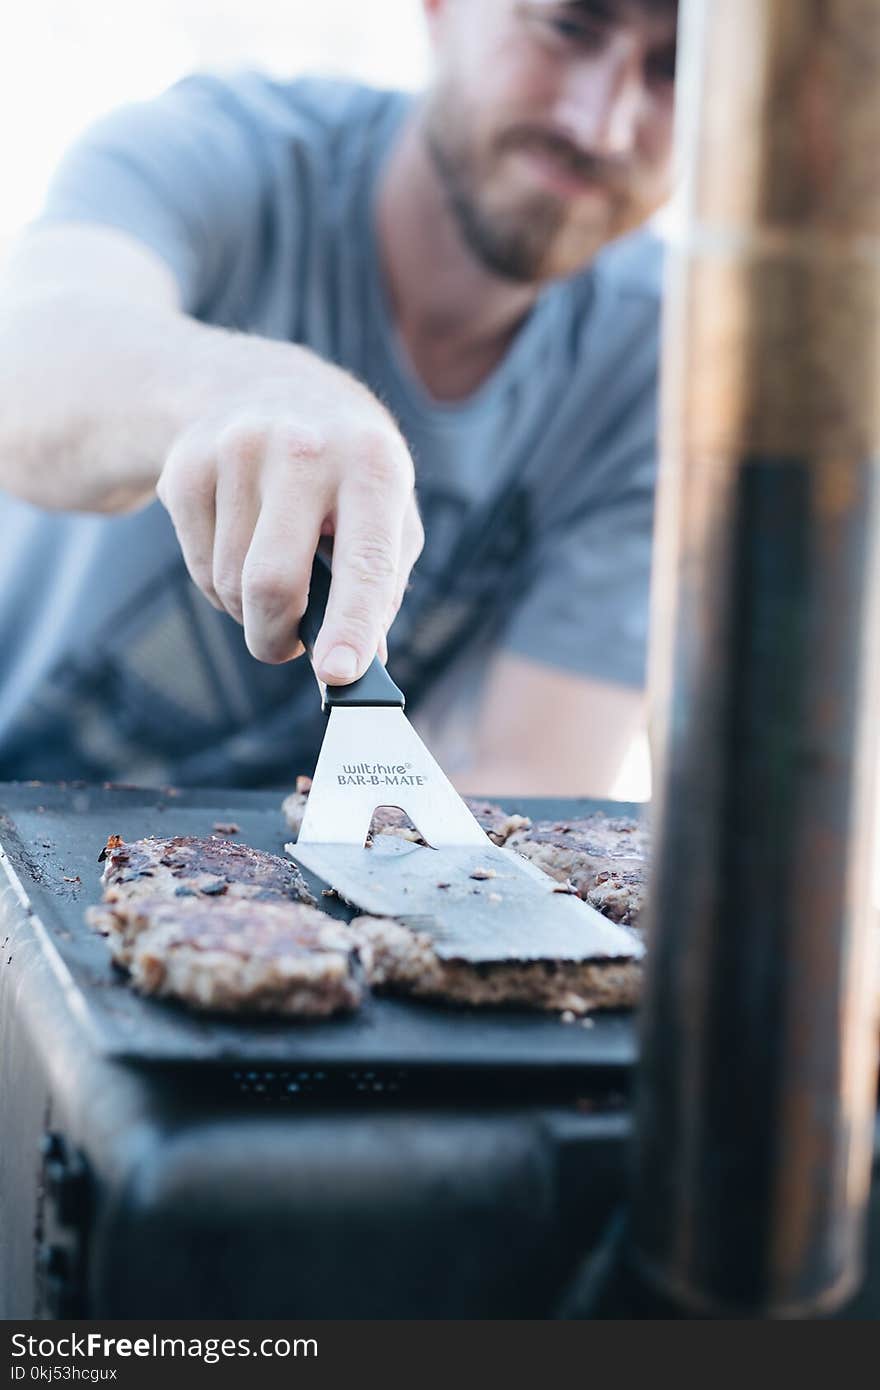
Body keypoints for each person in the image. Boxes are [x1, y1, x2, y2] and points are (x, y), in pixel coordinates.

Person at [0, 0, 677, 793]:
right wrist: (258, 390)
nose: (602, 124)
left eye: (675, 71)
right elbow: (31, 362)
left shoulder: (657, 368)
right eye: (569, 27)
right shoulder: (222, 147)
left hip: (272, 890)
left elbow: (534, 776)